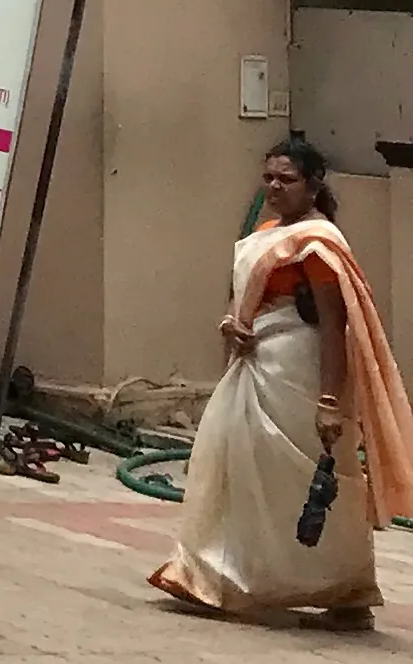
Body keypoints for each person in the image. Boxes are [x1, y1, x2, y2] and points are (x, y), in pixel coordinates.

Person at [151, 134, 413, 622]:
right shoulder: (271, 231)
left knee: (304, 480)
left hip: (298, 373)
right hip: (256, 363)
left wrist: (331, 400)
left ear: (312, 188)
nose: (274, 186)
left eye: (286, 179)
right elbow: (245, 294)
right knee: (238, 464)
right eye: (268, 177)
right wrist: (233, 320)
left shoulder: (317, 244)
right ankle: (216, 573)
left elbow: (334, 326)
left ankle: (343, 588)